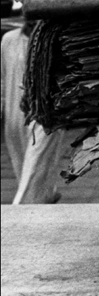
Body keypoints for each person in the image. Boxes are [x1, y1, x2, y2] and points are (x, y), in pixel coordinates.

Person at [2, 23, 64, 204]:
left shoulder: (56, 39)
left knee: (34, 167)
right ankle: (47, 195)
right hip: (14, 114)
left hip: (46, 115)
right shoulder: (8, 40)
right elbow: (2, 78)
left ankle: (18, 219)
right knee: (24, 170)